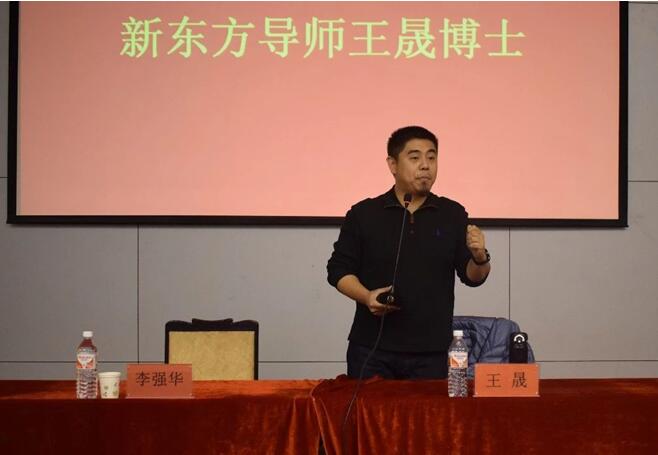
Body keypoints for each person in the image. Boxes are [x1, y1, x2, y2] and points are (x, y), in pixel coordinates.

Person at [326, 126, 491, 380]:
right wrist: (367, 296)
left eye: (432, 157)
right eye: (415, 157)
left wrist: (480, 257)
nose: (425, 165)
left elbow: (472, 277)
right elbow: (338, 270)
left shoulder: (452, 213)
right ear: (393, 164)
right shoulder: (364, 213)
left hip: (431, 351)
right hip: (372, 349)